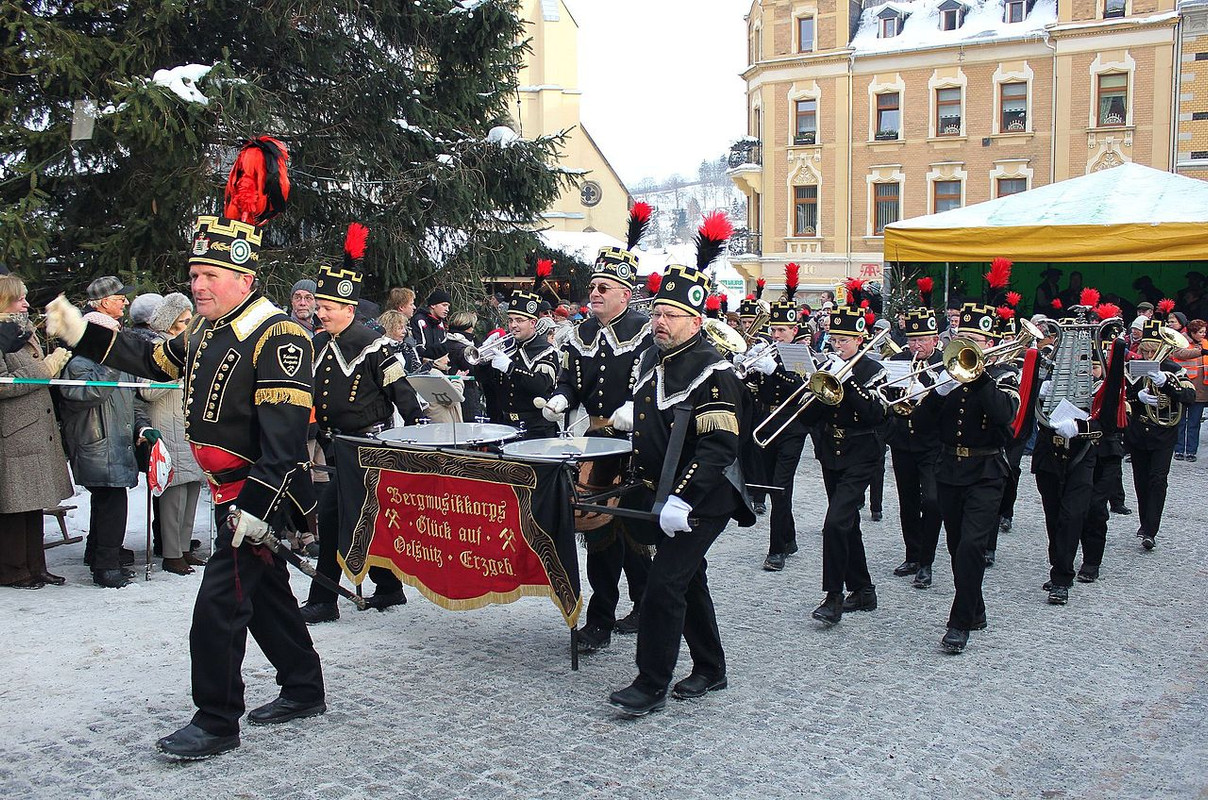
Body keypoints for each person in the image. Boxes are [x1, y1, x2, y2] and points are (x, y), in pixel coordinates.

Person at [47, 168, 325, 760]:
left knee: (219, 609)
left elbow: (283, 446)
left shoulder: (277, 336)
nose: (197, 284)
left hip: (257, 496)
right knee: (267, 598)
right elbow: (153, 359)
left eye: (209, 275)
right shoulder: (206, 327)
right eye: (194, 274)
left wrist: (256, 512)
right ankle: (304, 687)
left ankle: (216, 720)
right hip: (228, 494)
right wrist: (82, 334)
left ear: (244, 278)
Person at [606, 248, 755, 718]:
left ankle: (651, 683)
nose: (660, 322)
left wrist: (682, 500)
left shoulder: (714, 372)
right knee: (689, 580)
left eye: (671, 315)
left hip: (704, 495)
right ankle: (711, 667)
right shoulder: (653, 358)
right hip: (662, 489)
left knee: (664, 584)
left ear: (696, 321)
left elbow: (719, 449)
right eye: (656, 313)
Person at [543, 207, 654, 653]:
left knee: (634, 534)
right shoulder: (581, 332)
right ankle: (600, 620)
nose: (593, 293)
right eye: (592, 287)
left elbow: (656, 385)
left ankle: (645, 605)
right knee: (600, 533)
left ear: (625, 294)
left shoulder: (645, 332)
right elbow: (570, 379)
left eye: (602, 288)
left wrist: (636, 408)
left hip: (637, 445)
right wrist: (561, 398)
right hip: (596, 443)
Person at [300, 232, 422, 624]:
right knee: (369, 517)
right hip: (334, 445)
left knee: (334, 517)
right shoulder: (319, 343)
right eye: (318, 306)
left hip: (368, 448)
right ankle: (389, 586)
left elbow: (403, 393)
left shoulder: (374, 345)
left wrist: (417, 433)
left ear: (348, 308)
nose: (320, 313)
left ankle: (323, 599)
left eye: (327, 307)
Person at [912, 302, 1021, 654]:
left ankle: (958, 623)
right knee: (957, 545)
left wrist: (979, 376)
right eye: (965, 339)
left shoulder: (1004, 376)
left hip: (986, 472)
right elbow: (920, 425)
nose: (969, 347)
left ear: (991, 345)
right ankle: (976, 609)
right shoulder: (948, 376)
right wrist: (937, 393)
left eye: (977, 341)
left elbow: (1005, 415)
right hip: (949, 469)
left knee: (973, 545)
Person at [802, 297, 888, 626]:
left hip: (862, 453)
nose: (837, 346)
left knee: (835, 523)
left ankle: (833, 596)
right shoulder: (826, 367)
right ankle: (864, 590)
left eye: (844, 341)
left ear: (860, 340)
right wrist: (819, 387)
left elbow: (876, 414)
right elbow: (807, 417)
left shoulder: (873, 370)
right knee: (847, 523)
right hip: (832, 453)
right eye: (834, 339)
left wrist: (848, 381)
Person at [58, 309, 154, 588]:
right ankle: (106, 566)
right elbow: (90, 393)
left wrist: (143, 427)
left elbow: (134, 403)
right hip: (96, 445)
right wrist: (111, 362)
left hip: (118, 444)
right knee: (112, 504)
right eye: (111, 337)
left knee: (107, 503)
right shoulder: (78, 365)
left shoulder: (118, 367)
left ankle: (98, 553)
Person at [0, 274, 73, 589]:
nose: (26, 304)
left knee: (34, 501)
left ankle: (35, 565)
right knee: (15, 505)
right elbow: (3, 385)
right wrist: (45, 369)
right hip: (13, 431)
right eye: (19, 299)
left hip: (35, 428)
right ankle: (12, 569)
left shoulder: (20, 330)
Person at [137, 292, 207, 575]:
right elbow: (147, 391)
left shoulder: (190, 348)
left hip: (189, 427)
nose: (190, 326)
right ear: (170, 322)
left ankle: (185, 547)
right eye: (184, 321)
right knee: (173, 494)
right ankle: (171, 553)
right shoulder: (158, 349)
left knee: (191, 489)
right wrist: (177, 373)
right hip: (167, 426)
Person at [884, 288, 943, 590]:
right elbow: (887, 398)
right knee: (907, 500)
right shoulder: (898, 359)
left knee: (931, 500)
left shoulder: (945, 363)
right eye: (912, 339)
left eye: (922, 340)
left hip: (932, 442)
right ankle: (912, 555)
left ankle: (927, 561)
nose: (916, 345)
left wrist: (929, 388)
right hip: (902, 439)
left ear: (935, 340)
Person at [748, 280, 808, 573]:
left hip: (791, 427)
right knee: (774, 486)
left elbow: (801, 388)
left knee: (780, 487)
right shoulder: (766, 351)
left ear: (794, 331)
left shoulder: (800, 356)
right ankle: (790, 538)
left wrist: (775, 370)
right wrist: (745, 367)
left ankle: (776, 551)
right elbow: (753, 389)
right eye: (773, 330)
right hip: (766, 425)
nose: (775, 335)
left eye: (781, 330)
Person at [1125, 318, 1197, 550]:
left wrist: (1167, 384)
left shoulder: (1174, 370)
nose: (1149, 355)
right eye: (1145, 351)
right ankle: (1144, 521)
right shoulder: (1135, 367)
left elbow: (1189, 397)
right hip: (1139, 433)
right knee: (1141, 481)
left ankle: (1150, 530)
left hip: (1163, 434)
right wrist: (1138, 398)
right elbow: (1122, 397)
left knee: (1158, 480)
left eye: (1153, 351)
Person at [478, 288, 558, 439]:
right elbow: (486, 382)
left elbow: (541, 385)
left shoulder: (546, 350)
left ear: (533, 322)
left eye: (519, 320)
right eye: (510, 320)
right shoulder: (506, 347)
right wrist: (483, 361)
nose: (513, 325)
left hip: (536, 427)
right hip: (505, 424)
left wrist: (510, 368)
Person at [1174, 319, 1206, 462]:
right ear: (1193, 332)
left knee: (1194, 423)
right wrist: (1200, 352)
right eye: (1200, 332)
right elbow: (1179, 354)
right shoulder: (1182, 342)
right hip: (1183, 389)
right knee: (1180, 422)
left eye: (1204, 332)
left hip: (1201, 391)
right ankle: (1179, 449)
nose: (1203, 334)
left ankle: (1191, 451)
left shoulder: (1205, 343)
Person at [445, 309, 485, 423]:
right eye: (472, 327)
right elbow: (475, 370)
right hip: (466, 394)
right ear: (467, 328)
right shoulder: (462, 349)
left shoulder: (448, 341)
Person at [411, 288, 450, 359]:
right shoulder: (419, 320)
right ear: (433, 305)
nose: (447, 309)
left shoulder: (441, 324)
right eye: (444, 305)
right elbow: (419, 348)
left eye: (448, 306)